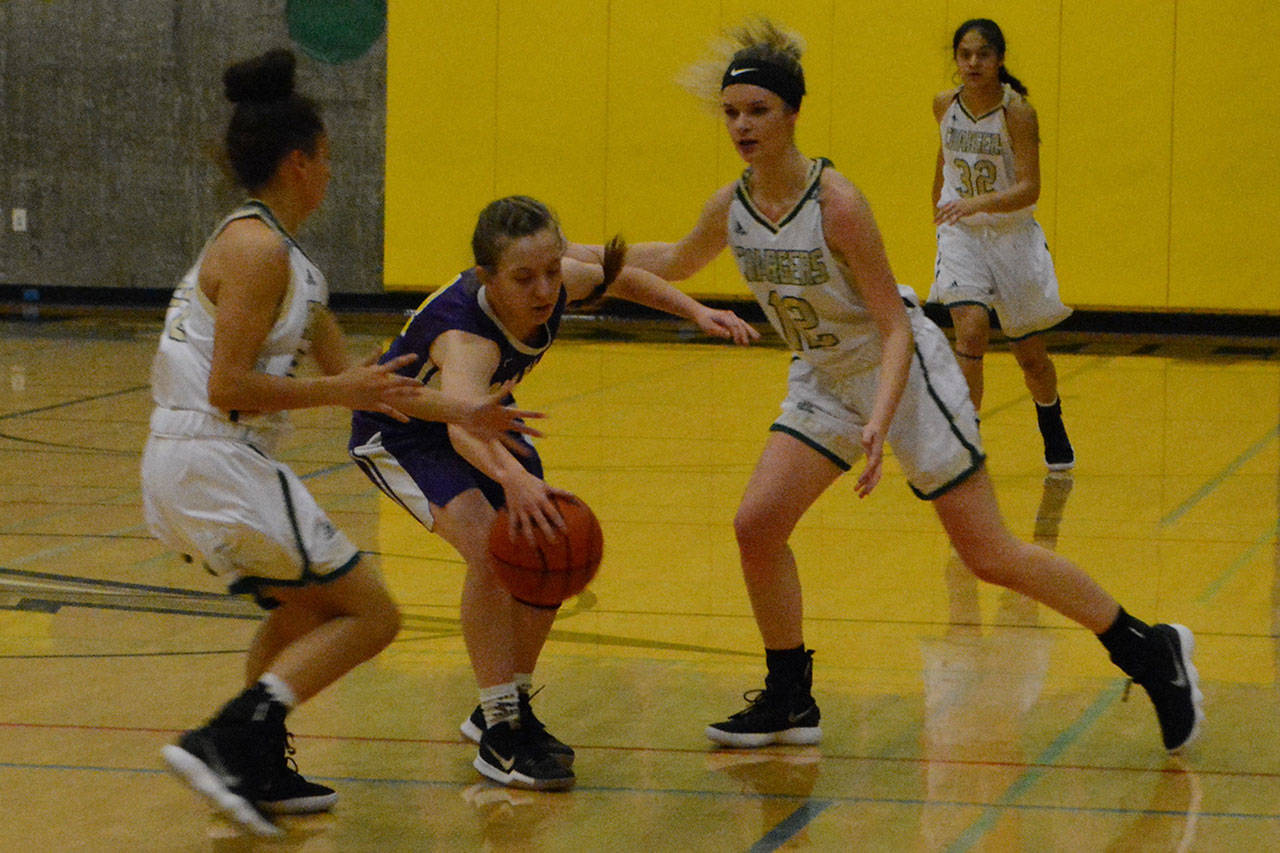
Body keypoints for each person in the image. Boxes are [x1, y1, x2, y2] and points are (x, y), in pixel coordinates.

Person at [623, 19, 1202, 755]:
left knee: (989, 554)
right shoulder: (731, 205)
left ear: (792, 112)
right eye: (732, 112)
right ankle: (790, 696)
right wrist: (565, 253)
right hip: (827, 375)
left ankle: (1149, 649)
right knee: (757, 525)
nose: (742, 125)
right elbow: (673, 260)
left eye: (758, 110)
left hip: (905, 373)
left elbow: (895, 326)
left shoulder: (836, 202)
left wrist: (879, 418)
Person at [143, 49, 542, 836]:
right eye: (326, 157)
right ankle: (227, 738)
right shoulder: (255, 250)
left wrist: (465, 410)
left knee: (304, 609)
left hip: (210, 463)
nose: (331, 172)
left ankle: (255, 760)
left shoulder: (295, 266)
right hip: (210, 454)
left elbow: (371, 383)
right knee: (374, 616)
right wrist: (339, 392)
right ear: (299, 162)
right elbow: (228, 387)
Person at [349, 195, 758, 791]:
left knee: (549, 547)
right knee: (491, 553)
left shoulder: (556, 279)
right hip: (405, 432)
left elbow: (621, 278)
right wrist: (516, 481)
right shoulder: (467, 339)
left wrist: (696, 311)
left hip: (485, 416)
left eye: (551, 271)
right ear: (488, 277)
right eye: (524, 278)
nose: (544, 289)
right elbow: (461, 428)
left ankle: (506, 702)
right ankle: (500, 732)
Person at [929, 18, 1075, 470]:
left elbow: (1030, 188)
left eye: (983, 54)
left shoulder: (1018, 113)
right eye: (965, 54)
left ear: (999, 60)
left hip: (1011, 237)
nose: (973, 62)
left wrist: (975, 203)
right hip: (962, 235)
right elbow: (945, 160)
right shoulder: (944, 104)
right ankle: (966, 441)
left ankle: (1050, 418)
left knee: (1031, 358)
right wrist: (940, 208)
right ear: (956, 59)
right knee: (971, 330)